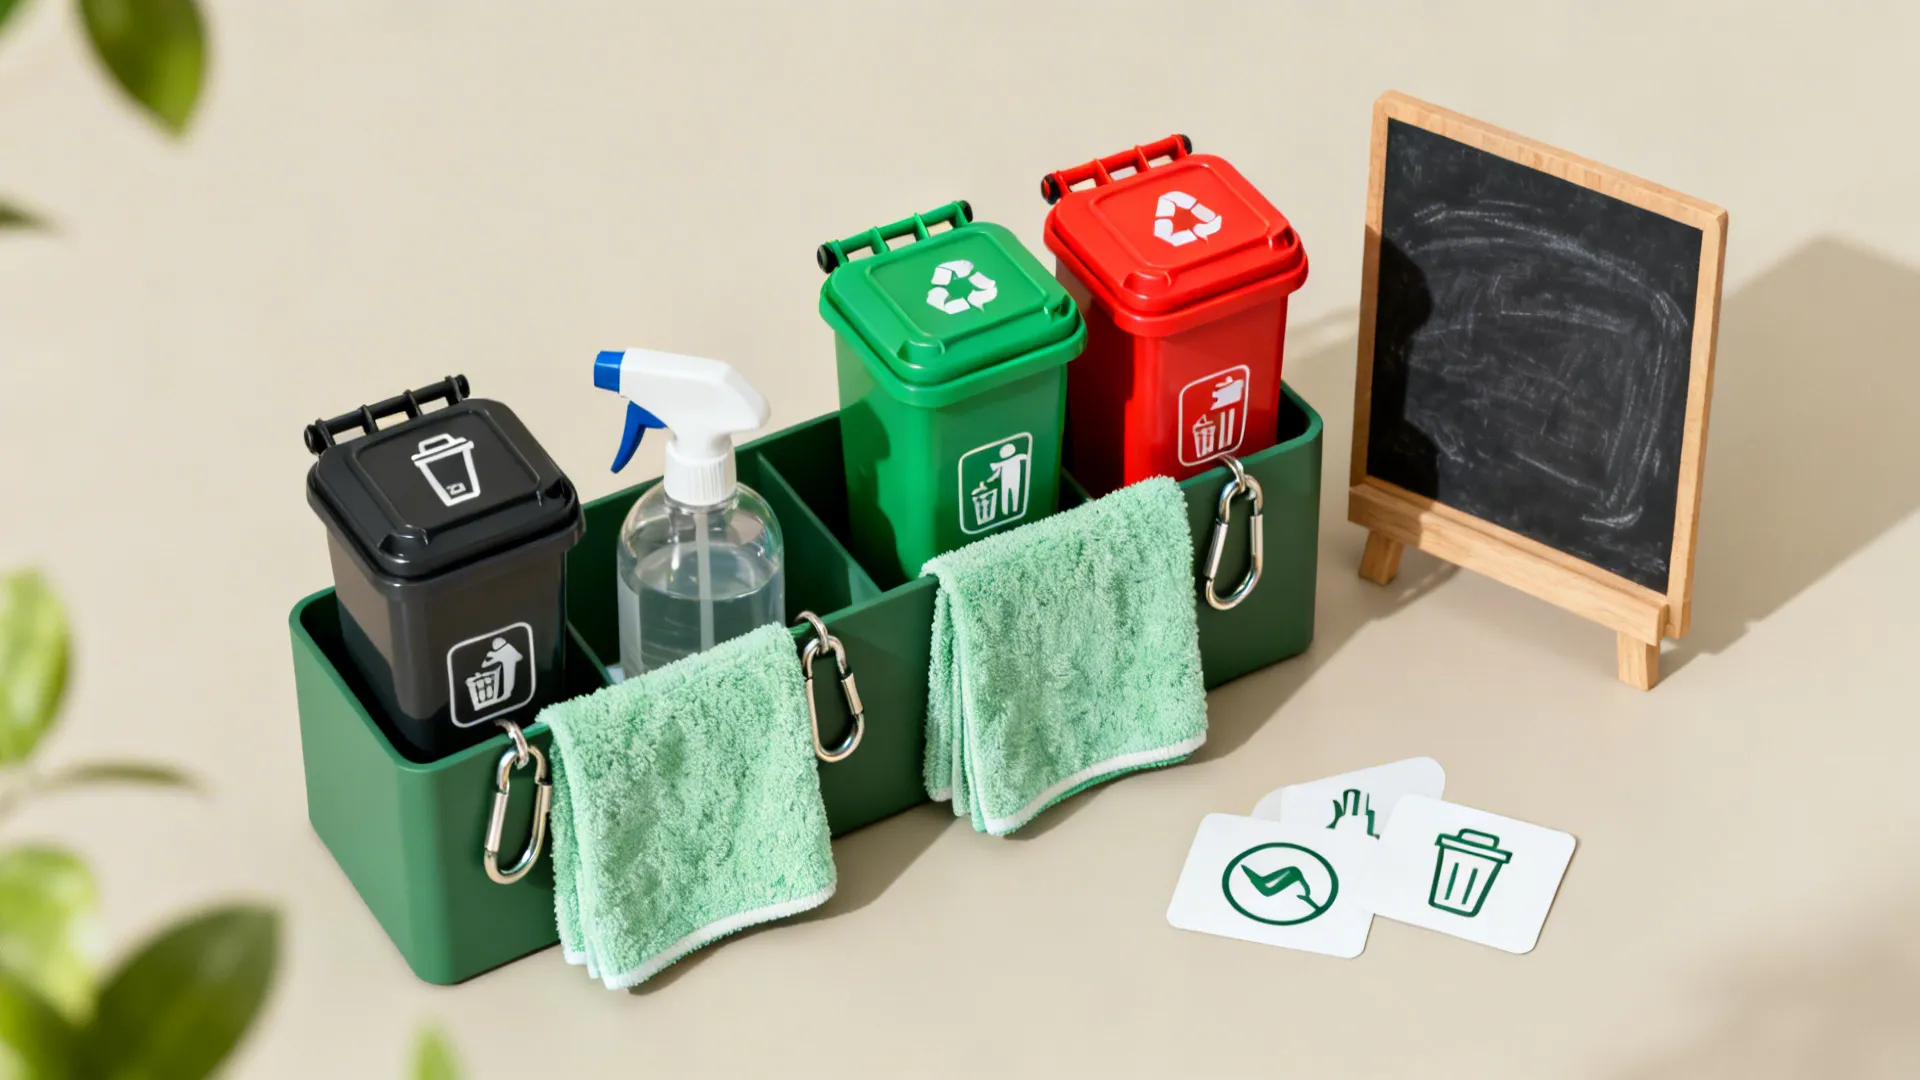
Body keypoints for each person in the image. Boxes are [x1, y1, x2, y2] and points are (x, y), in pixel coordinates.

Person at [988, 441, 1029, 519]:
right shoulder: (1005, 462)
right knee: (1006, 495)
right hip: (1006, 481)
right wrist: (991, 479)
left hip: (1014, 480)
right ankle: (1005, 512)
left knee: (1014, 494)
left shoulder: (1015, 458)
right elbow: (997, 472)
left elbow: (1024, 456)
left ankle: (1014, 510)